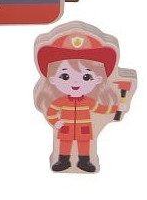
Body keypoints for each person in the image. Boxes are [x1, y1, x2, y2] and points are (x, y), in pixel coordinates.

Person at [33, 26, 134, 172]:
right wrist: (56, 122)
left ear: (98, 79)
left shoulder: (88, 101)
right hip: (65, 128)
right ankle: (63, 161)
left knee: (84, 145)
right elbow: (52, 111)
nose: (75, 82)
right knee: (65, 145)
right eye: (65, 76)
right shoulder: (60, 101)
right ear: (53, 79)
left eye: (86, 77)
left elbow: (100, 109)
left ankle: (84, 162)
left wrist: (117, 108)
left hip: (84, 129)